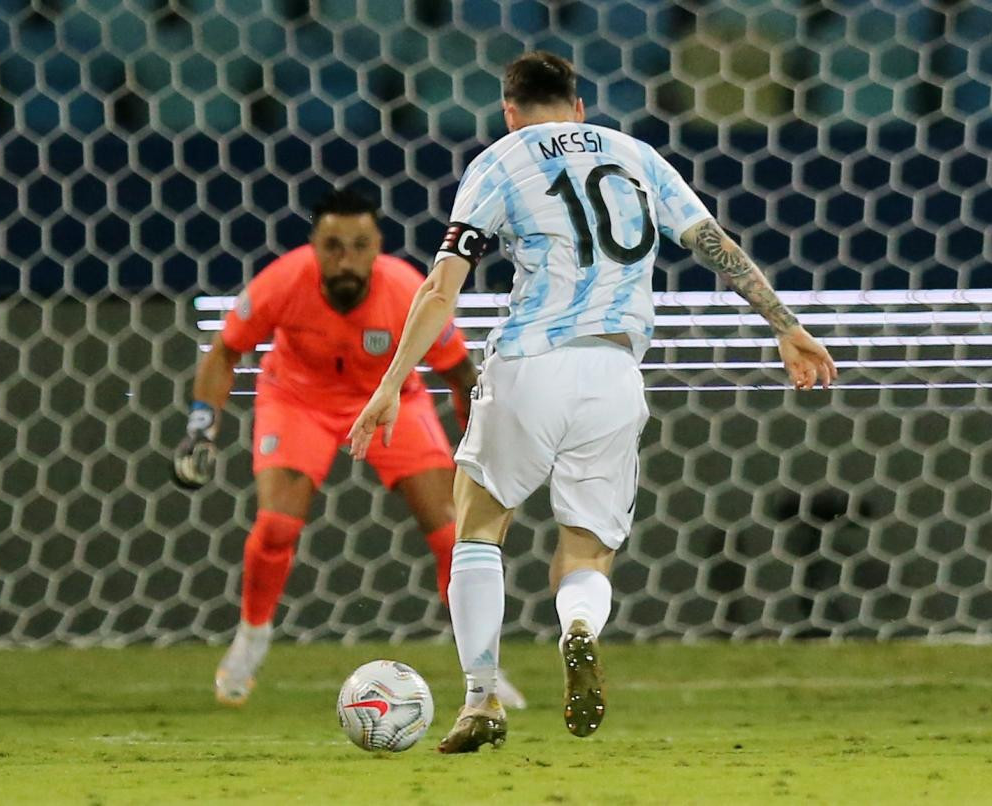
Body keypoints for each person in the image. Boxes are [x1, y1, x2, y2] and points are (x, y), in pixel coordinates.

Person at [348, 52, 837, 752]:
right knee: (587, 549)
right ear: (579, 107)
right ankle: (578, 627)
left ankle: (481, 699)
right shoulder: (636, 155)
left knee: (480, 529)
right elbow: (713, 245)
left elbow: (439, 288)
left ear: (510, 111)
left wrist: (391, 385)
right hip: (614, 372)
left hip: (529, 364)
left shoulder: (502, 159)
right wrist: (786, 326)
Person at [173, 188, 528, 709]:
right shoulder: (285, 280)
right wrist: (201, 426)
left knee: (455, 535)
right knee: (276, 525)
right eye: (332, 246)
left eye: (359, 245)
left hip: (391, 398)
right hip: (298, 400)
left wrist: (484, 440)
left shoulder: (407, 288)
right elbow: (226, 349)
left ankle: (482, 670)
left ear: (377, 245)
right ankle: (252, 638)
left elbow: (456, 371)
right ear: (314, 246)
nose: (346, 258)